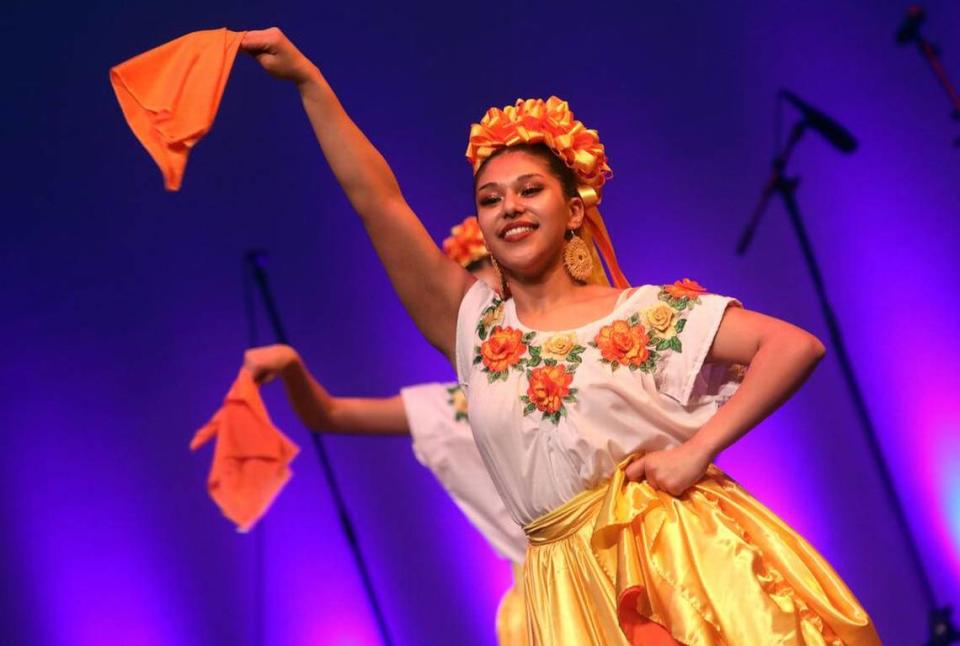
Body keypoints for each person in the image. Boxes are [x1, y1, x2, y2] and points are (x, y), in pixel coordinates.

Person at [237, 27, 880, 645]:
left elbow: (794, 345)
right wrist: (308, 82)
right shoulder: (477, 329)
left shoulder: (642, 315)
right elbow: (378, 201)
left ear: (574, 210)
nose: (509, 207)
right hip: (562, 585)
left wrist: (696, 452)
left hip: (680, 564)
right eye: (490, 199)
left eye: (529, 190)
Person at [243, 217, 528, 645]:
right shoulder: (450, 407)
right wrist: (291, 365)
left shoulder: (577, 368)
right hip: (539, 595)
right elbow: (330, 415)